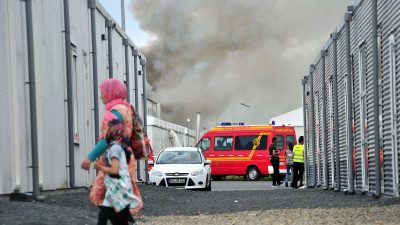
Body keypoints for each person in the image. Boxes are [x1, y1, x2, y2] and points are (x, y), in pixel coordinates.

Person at [80, 78, 142, 214]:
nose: (101, 95)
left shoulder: (115, 111)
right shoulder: (127, 108)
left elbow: (108, 138)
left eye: (103, 92)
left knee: (108, 196)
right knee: (117, 196)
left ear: (111, 93)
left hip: (115, 158)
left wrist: (90, 157)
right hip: (126, 156)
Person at [94, 119, 140, 225]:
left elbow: (114, 170)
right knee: (107, 217)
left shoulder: (114, 148)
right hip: (116, 190)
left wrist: (99, 167)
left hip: (118, 190)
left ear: (113, 132)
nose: (104, 132)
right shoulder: (117, 147)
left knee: (108, 218)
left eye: (106, 129)